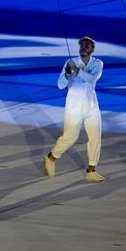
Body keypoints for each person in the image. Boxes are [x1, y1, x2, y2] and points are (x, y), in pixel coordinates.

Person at [43, 37, 104, 181]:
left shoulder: (98, 63)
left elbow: (91, 79)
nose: (84, 48)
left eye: (87, 46)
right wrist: (66, 74)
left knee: (95, 137)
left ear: (92, 50)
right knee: (70, 137)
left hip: (91, 106)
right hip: (74, 106)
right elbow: (60, 85)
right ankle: (51, 158)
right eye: (82, 45)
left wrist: (76, 70)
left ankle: (91, 171)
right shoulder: (69, 62)